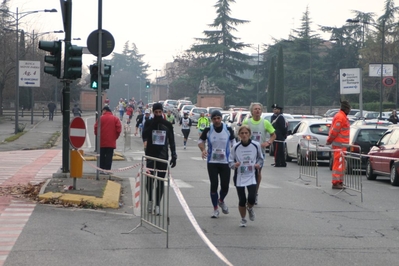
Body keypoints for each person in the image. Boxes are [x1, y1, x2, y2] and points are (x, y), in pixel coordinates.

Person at [198, 110, 235, 218]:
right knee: (214, 185)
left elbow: (234, 143)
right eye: (214, 119)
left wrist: (234, 155)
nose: (216, 121)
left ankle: (221, 200)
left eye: (218, 118)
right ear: (211, 119)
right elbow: (200, 141)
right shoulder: (208, 129)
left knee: (225, 186)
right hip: (212, 162)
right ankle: (215, 209)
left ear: (221, 118)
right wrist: (203, 150)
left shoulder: (227, 129)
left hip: (225, 162)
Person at [142, 103, 177, 215]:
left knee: (160, 182)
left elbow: (171, 141)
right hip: (151, 155)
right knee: (149, 181)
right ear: (153, 112)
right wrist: (153, 125)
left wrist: (174, 155)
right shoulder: (149, 122)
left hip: (163, 156)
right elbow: (144, 135)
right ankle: (150, 201)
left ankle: (157, 204)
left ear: (162, 112)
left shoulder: (167, 125)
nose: (158, 114)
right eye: (156, 112)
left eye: (159, 112)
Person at [229, 125, 263, 227]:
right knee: (242, 200)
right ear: (239, 135)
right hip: (240, 176)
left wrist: (258, 165)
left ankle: (250, 208)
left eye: (246, 133)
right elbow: (230, 161)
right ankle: (243, 219)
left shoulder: (256, 145)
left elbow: (260, 159)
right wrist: (234, 165)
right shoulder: (235, 147)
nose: (244, 135)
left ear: (249, 134)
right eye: (242, 133)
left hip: (252, 175)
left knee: (252, 198)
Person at [242, 102, 276, 204]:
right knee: (248, 173)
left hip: (259, 153)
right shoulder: (247, 122)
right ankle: (250, 193)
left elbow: (273, 135)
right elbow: (241, 134)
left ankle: (255, 193)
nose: (257, 111)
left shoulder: (265, 122)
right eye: (255, 109)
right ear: (251, 111)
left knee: (257, 173)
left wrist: (268, 142)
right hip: (248, 152)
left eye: (259, 109)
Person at [326, 100, 351, 189]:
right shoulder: (341, 117)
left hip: (342, 146)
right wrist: (329, 140)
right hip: (339, 146)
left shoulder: (342, 116)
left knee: (341, 164)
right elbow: (334, 131)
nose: (350, 111)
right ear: (346, 109)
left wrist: (329, 140)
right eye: (349, 109)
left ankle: (339, 181)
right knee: (338, 164)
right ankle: (336, 182)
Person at [94, 106, 122, 172]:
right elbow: (118, 129)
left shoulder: (100, 118)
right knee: (109, 157)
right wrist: (115, 137)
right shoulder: (115, 119)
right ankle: (107, 170)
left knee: (102, 156)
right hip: (111, 142)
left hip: (102, 142)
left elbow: (96, 128)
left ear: (105, 110)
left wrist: (98, 136)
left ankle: (101, 169)